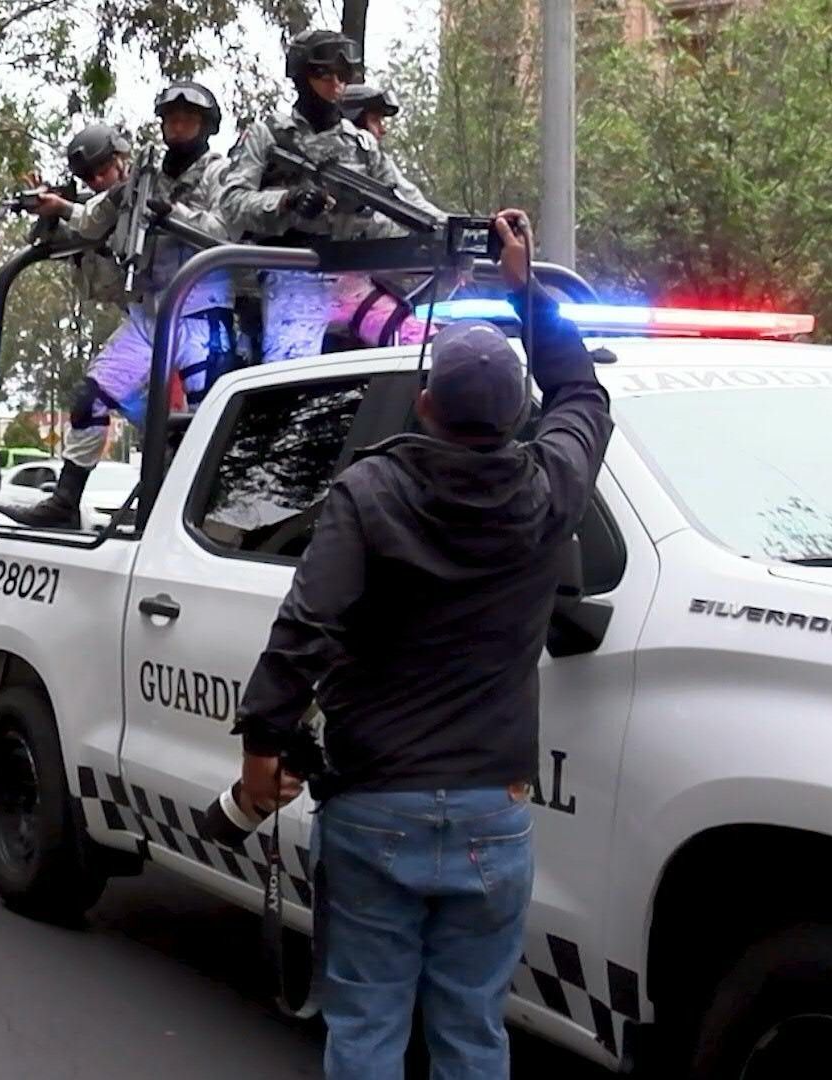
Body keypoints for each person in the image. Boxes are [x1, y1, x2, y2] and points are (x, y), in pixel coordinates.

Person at [230, 211, 613, 1078]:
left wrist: (262, 747)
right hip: (493, 811)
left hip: (372, 808)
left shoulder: (368, 491)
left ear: (427, 404)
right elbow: (584, 397)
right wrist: (528, 289)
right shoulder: (549, 488)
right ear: (519, 413)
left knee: (364, 1027)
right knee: (473, 1030)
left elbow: (305, 630)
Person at [5, 83, 236, 529]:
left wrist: (170, 213)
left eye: (188, 119)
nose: (178, 126)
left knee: (211, 418)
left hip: (203, 310)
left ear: (206, 126)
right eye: (172, 118)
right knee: (89, 399)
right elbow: (95, 219)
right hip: (150, 313)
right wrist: (60, 209)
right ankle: (66, 500)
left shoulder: (221, 173)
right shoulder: (143, 175)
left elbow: (226, 231)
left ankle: (206, 517)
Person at [218, 30, 444, 362]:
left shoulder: (362, 145)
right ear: (300, 76)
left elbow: (407, 201)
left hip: (352, 276)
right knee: (287, 384)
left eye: (344, 75)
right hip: (293, 274)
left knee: (429, 352)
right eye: (324, 74)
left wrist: (453, 228)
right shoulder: (268, 137)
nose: (336, 84)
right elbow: (232, 202)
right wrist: (287, 201)